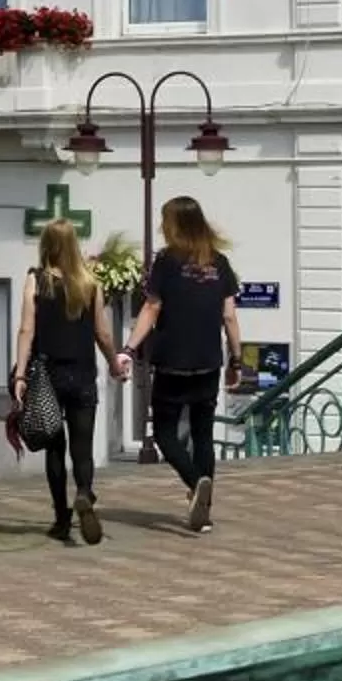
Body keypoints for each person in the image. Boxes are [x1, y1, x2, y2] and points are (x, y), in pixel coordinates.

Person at [127, 194, 241, 532]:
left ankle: (195, 483)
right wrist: (236, 359)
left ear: (175, 225)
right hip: (208, 361)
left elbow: (151, 308)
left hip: (173, 360)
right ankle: (202, 505)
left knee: (164, 433)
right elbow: (230, 318)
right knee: (203, 434)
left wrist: (130, 347)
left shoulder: (166, 261)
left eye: (165, 221)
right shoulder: (219, 263)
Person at [13, 218, 129, 545]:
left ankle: (62, 519)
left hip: (47, 376)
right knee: (82, 447)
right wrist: (114, 364)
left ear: (46, 245)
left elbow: (26, 330)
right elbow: (103, 333)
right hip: (82, 374)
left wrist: (21, 374)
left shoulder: (36, 281)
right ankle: (85, 492)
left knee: (54, 448)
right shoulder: (90, 282)